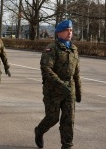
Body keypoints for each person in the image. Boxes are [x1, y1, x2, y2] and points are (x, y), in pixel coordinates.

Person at [34, 20, 82, 149]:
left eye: (71, 30)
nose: (70, 33)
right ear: (59, 33)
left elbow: (76, 72)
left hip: (69, 89)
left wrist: (78, 90)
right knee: (52, 118)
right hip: (53, 90)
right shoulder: (52, 49)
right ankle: (39, 131)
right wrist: (61, 85)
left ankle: (67, 145)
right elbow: (46, 68)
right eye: (67, 30)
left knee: (68, 120)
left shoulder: (73, 49)